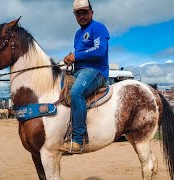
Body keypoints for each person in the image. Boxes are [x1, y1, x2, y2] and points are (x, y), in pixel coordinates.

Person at [59, 0, 110, 154]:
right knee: (58, 90)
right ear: (75, 15)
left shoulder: (99, 27)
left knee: (76, 93)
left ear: (91, 13)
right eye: (78, 13)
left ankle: (78, 140)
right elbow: (79, 56)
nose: (82, 16)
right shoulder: (77, 34)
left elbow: (100, 51)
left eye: (85, 12)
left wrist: (76, 55)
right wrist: (70, 59)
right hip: (79, 71)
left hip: (96, 71)